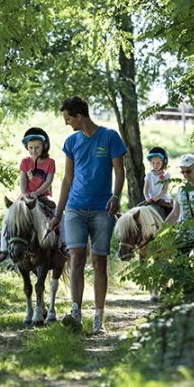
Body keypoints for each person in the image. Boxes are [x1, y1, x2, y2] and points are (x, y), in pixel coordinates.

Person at [49, 96, 126, 334]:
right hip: (75, 209)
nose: (66, 123)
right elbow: (67, 179)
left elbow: (119, 171)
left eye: (68, 118)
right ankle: (76, 315)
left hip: (102, 210)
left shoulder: (110, 137)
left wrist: (115, 196)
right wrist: (58, 213)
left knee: (99, 262)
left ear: (79, 116)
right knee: (76, 258)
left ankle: (98, 319)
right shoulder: (71, 142)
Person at [0, 127, 66, 263]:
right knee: (7, 218)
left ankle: (63, 243)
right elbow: (23, 179)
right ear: (27, 147)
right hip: (26, 196)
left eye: (37, 147)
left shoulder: (50, 163)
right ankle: (4, 249)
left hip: (43, 195)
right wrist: (24, 193)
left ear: (44, 146)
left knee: (59, 213)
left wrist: (37, 193)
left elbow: (48, 181)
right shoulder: (25, 162)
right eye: (31, 147)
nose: (34, 151)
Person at [142, 146, 173, 217]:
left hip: (162, 198)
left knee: (170, 211)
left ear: (163, 162)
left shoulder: (166, 175)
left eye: (158, 163)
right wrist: (147, 197)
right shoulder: (149, 175)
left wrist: (158, 197)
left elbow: (165, 190)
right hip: (151, 199)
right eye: (153, 163)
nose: (155, 165)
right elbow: (145, 188)